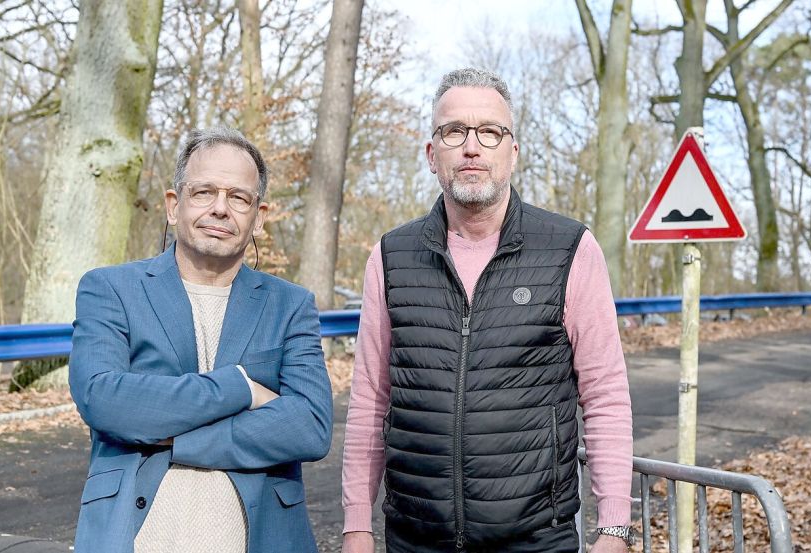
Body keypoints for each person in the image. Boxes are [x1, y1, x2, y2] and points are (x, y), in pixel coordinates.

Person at [341, 68, 634, 553]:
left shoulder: (570, 249)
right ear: (433, 155)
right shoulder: (390, 256)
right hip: (415, 538)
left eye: (489, 132)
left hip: (536, 537)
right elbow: (371, 399)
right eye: (454, 131)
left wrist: (614, 528)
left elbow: (605, 395)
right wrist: (356, 526)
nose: (472, 147)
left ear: (512, 152)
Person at [69, 127, 333, 553]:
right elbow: (105, 399)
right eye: (204, 192)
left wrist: (176, 437)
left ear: (259, 217)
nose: (221, 209)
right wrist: (241, 388)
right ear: (174, 206)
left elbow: (309, 427)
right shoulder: (111, 289)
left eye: (239, 197)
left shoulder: (291, 305)